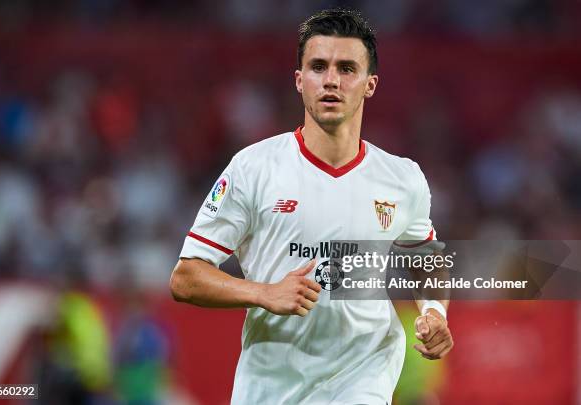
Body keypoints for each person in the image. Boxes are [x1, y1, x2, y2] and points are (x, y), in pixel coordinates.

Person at [170, 8, 453, 405]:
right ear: (299, 81)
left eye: (347, 68)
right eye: (318, 67)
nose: (332, 80)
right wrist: (264, 293)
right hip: (270, 384)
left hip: (363, 374)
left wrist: (435, 311)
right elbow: (185, 278)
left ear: (370, 84)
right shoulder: (253, 168)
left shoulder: (402, 178)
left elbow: (425, 255)